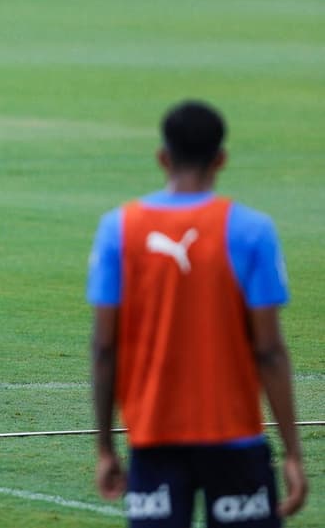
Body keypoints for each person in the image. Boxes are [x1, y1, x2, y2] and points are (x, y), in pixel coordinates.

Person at [87, 100, 307, 527]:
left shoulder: (118, 229)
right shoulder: (252, 231)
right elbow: (270, 352)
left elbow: (103, 347)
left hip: (154, 439)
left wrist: (105, 448)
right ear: (221, 159)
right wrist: (293, 453)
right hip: (236, 440)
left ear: (162, 157)